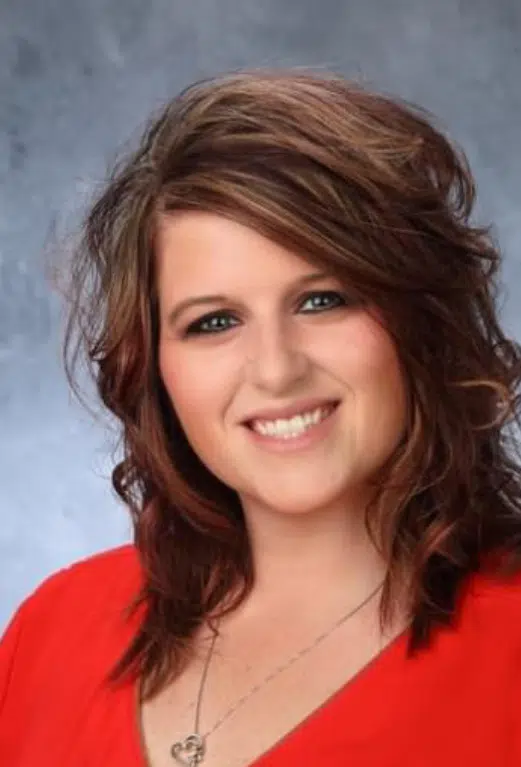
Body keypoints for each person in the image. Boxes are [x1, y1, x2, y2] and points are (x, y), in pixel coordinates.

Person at [1, 69, 521, 767]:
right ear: (152, 364)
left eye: (322, 300)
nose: (275, 370)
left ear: (418, 322)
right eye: (214, 321)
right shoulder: (52, 626)